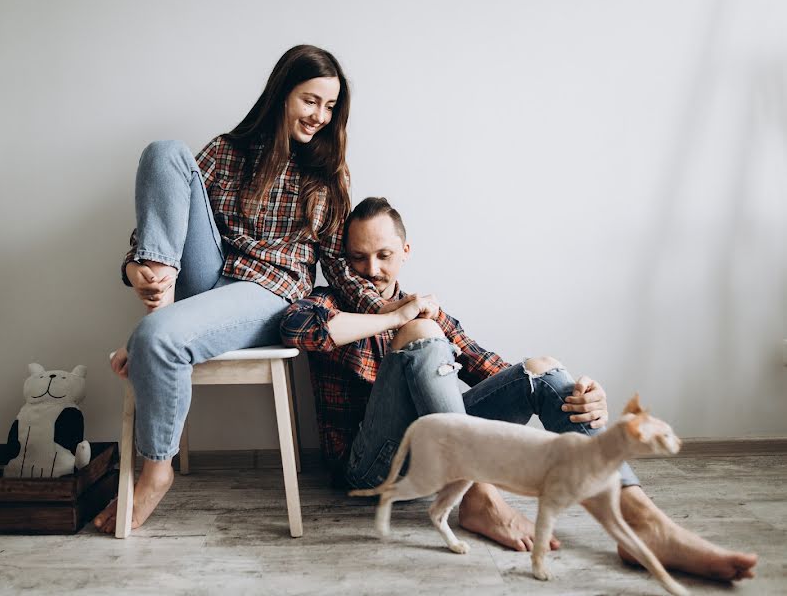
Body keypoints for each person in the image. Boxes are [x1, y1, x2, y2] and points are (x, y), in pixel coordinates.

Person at [280, 197, 757, 581]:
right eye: (358, 257)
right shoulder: (331, 305)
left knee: (541, 370)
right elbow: (294, 328)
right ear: (342, 261)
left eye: (383, 255)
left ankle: (643, 523)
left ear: (405, 252)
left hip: (437, 451)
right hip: (371, 467)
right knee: (423, 335)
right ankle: (479, 497)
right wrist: (398, 318)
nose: (372, 268)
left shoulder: (427, 308)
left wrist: (578, 393)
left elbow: (497, 372)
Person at [93, 45, 383, 534]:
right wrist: (133, 268)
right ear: (281, 94)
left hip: (268, 292)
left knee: (156, 340)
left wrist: (393, 307)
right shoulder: (228, 151)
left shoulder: (325, 175)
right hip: (206, 276)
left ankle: (155, 467)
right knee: (164, 152)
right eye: (311, 100)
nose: (320, 116)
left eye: (330, 107)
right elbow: (171, 213)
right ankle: (158, 295)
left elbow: (339, 267)